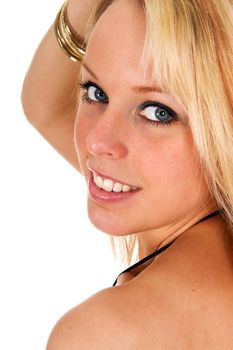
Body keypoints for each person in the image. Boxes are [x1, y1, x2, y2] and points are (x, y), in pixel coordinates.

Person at [21, 0, 233, 348]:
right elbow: (42, 105)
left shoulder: (104, 334)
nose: (96, 140)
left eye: (157, 112)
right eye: (95, 92)